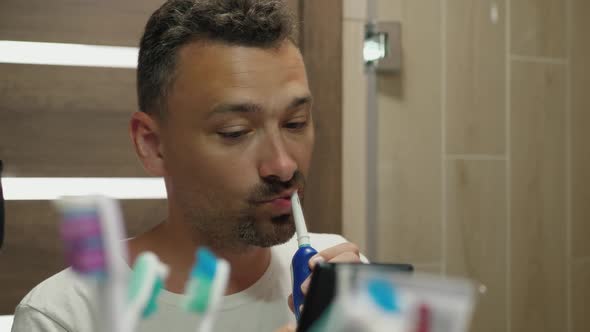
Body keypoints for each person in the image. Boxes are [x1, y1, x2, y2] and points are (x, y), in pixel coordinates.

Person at [11, 1, 362, 331]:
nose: (284, 166)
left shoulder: (338, 275)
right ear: (152, 144)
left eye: (295, 123)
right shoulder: (66, 315)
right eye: (235, 131)